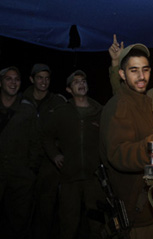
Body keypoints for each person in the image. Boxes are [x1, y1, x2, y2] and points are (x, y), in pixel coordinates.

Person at [99, 43, 153, 239]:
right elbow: (117, 154)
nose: (141, 76)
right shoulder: (120, 105)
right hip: (135, 207)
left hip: (151, 204)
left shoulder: (143, 101)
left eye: (145, 70)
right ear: (122, 74)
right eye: (134, 71)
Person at [43, 70, 105, 239]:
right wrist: (55, 155)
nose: (81, 84)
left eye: (83, 80)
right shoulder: (61, 112)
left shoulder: (100, 111)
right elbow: (46, 136)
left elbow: (108, 140)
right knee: (69, 223)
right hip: (69, 177)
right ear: (69, 89)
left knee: (97, 224)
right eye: (76, 82)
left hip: (94, 178)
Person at [23, 63, 66, 239]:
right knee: (22, 207)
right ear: (32, 79)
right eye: (40, 78)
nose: (44, 82)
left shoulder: (57, 101)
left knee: (46, 209)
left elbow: (65, 128)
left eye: (47, 78)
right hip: (24, 162)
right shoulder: (21, 100)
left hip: (49, 165)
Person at [0, 66, 42, 238]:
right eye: (8, 79)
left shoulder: (27, 109)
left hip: (20, 177)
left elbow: (36, 142)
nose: (13, 82)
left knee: (19, 222)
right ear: (1, 82)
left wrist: (31, 170)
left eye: (16, 79)